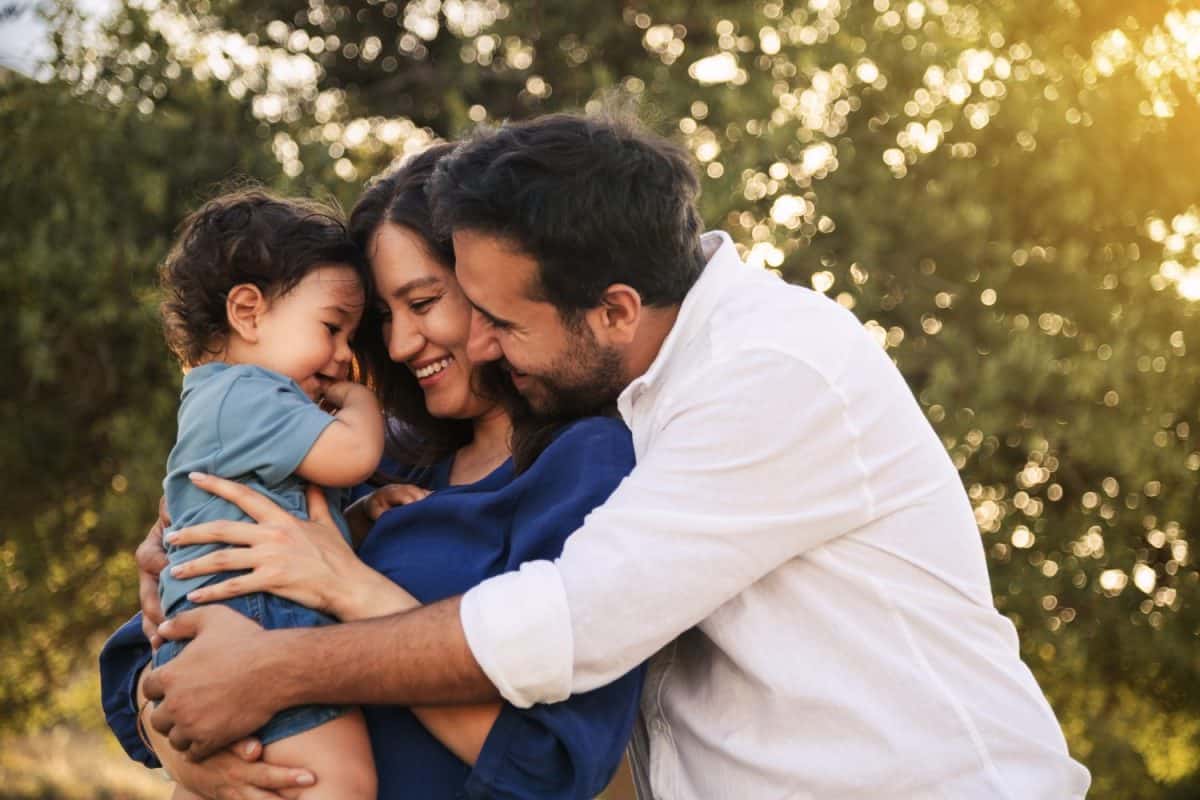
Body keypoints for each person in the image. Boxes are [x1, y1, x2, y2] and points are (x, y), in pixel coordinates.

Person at [139, 114, 1092, 798]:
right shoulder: (424, 445)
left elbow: (565, 628)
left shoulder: (767, 374)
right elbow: (157, 644)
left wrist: (281, 667)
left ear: (615, 309)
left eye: (492, 316)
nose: (474, 345)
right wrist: (185, 729)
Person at [100, 144, 644, 799]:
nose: (396, 344)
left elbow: (552, 768)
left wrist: (343, 586)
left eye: (422, 302)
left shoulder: (591, 464)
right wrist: (195, 754)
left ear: (493, 286)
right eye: (383, 317)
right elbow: (139, 662)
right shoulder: (374, 455)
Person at [149, 189, 383, 799]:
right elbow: (353, 454)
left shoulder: (223, 400)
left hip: (223, 623)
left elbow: (294, 519)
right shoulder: (251, 393)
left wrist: (359, 516)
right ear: (248, 312)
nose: (342, 359)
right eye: (333, 328)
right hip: (258, 621)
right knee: (339, 782)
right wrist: (363, 405)